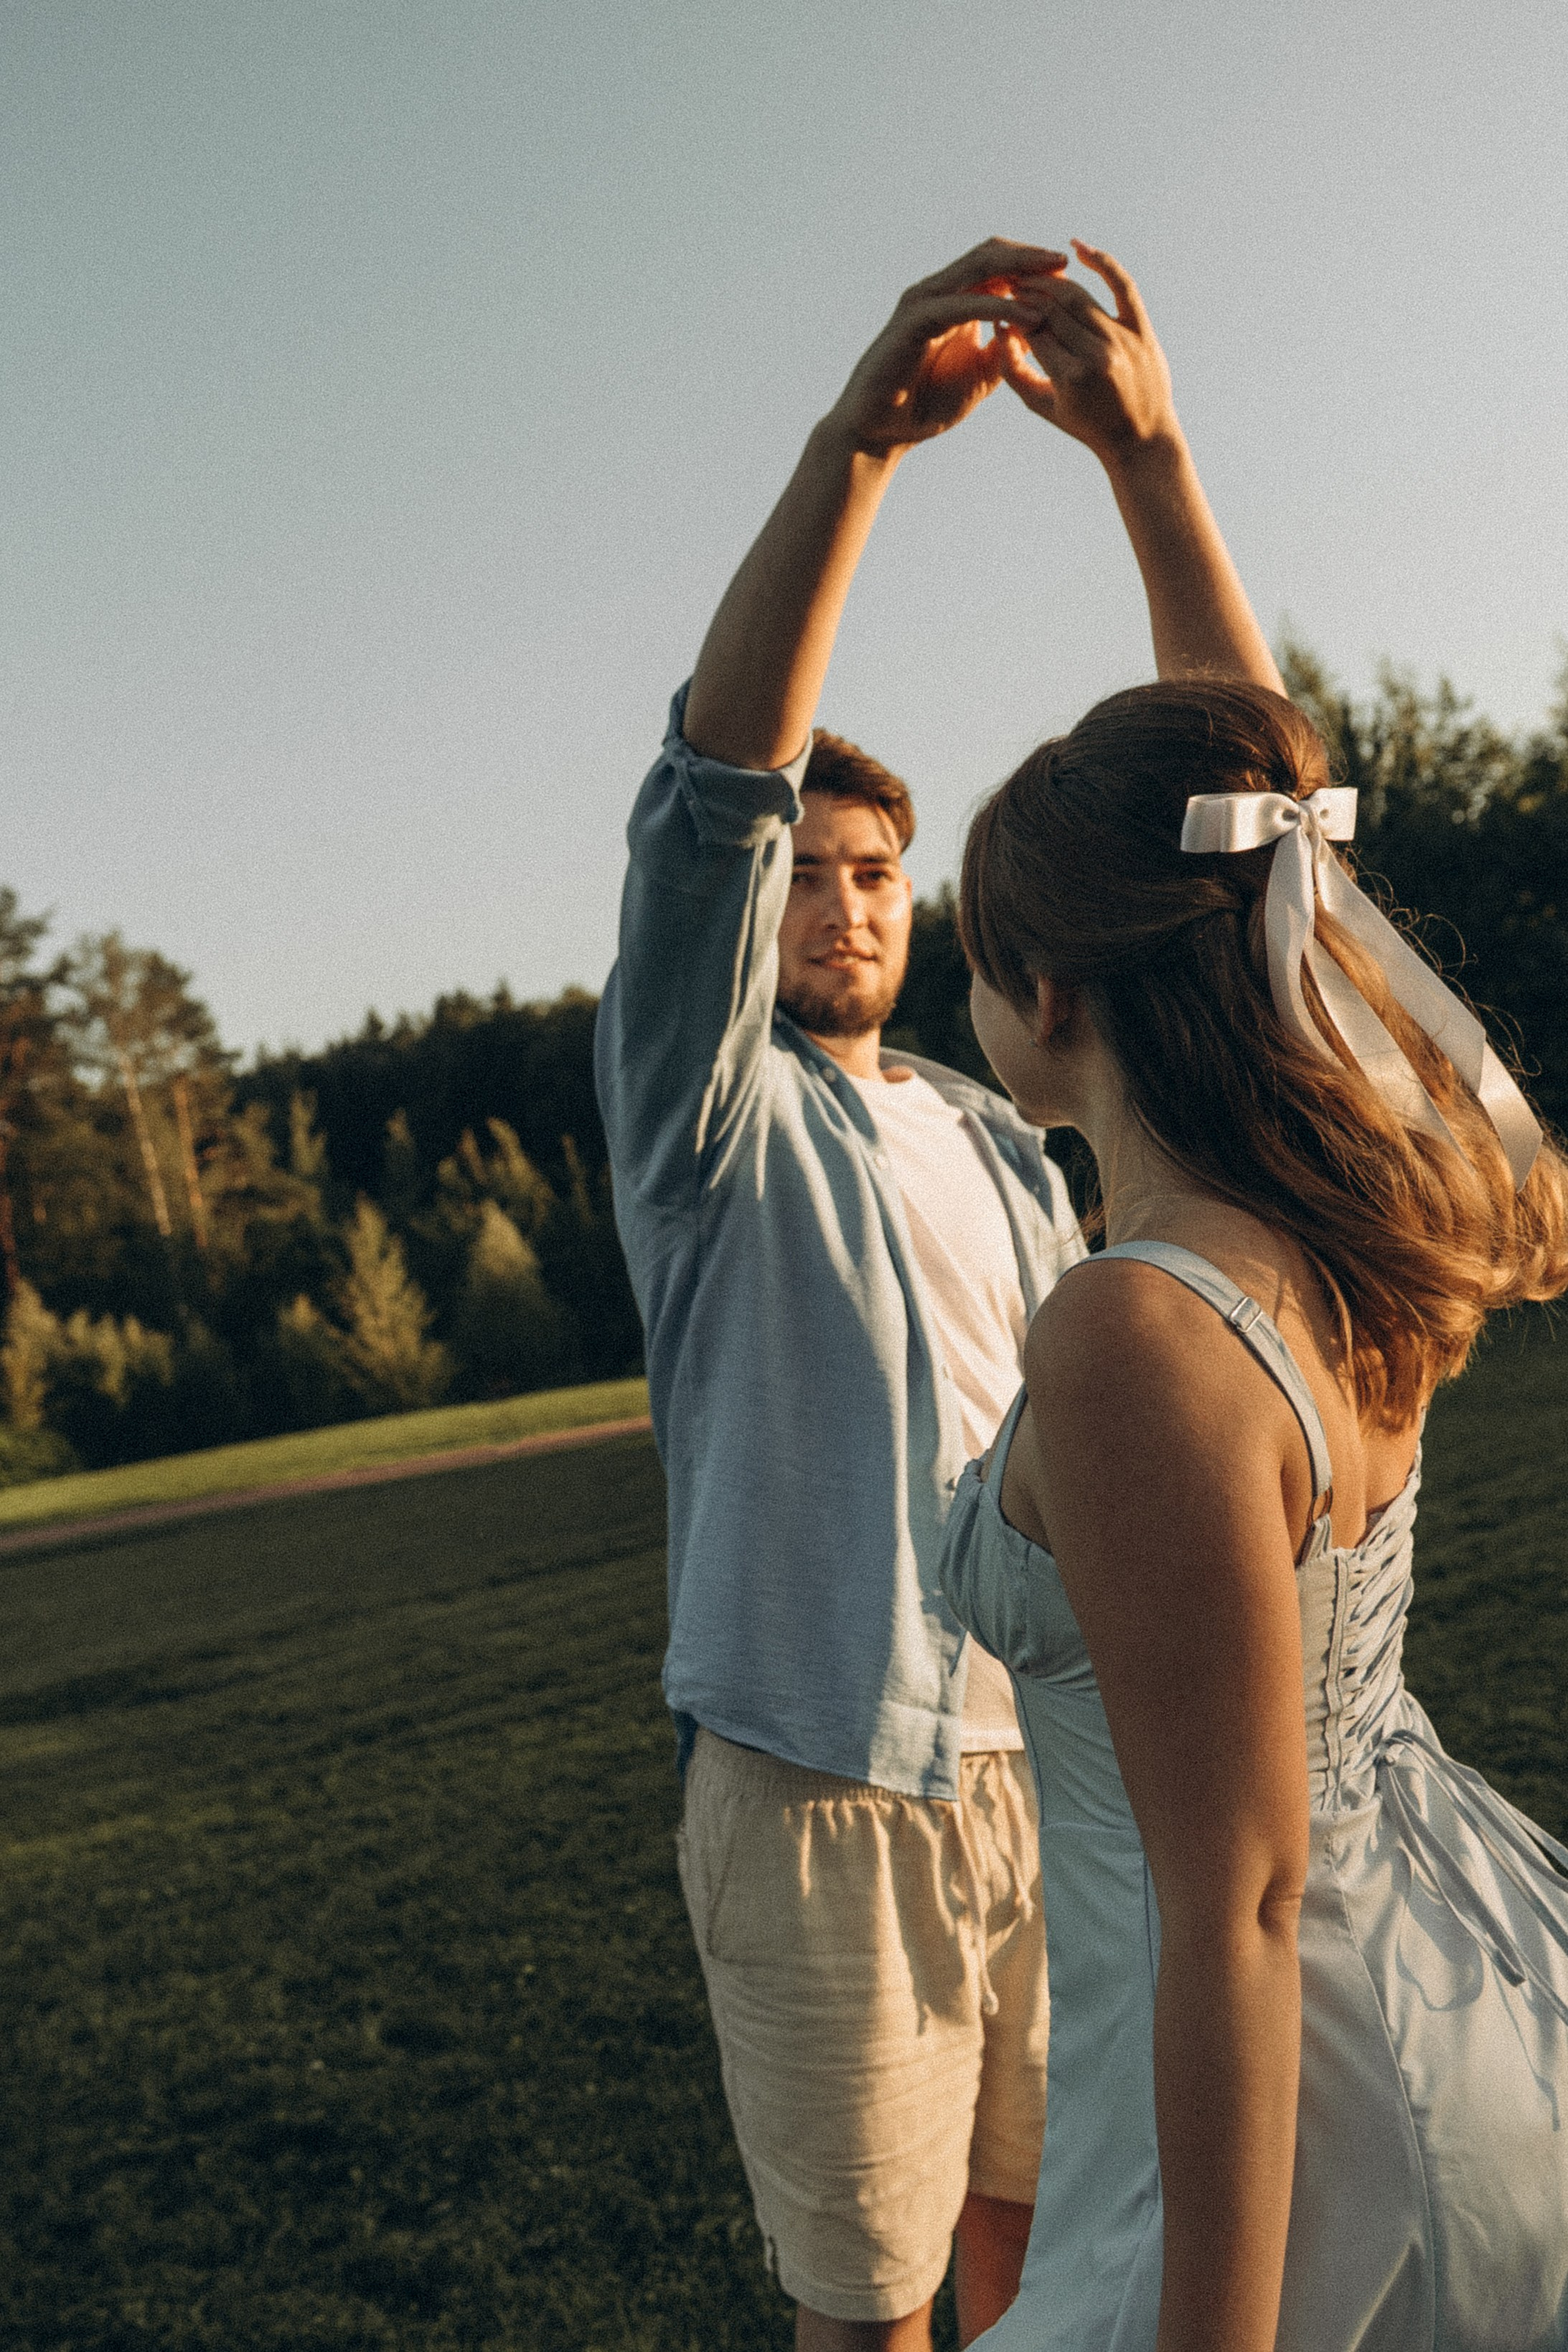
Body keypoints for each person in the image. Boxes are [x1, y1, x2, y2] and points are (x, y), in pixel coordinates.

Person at [596, 238, 1284, 2349]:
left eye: (877, 871)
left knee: (1035, 2250)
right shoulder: (709, 1123)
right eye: (805, 872)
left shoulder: (1008, 1140)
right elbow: (713, 795)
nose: (841, 901)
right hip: (818, 1780)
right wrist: (849, 460)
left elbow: (1261, 884)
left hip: (1037, 1763)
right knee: (872, 2307)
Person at [941, 633, 1568, 2338]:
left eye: (977, 966)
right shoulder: (1341, 1233)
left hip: (1283, 2107)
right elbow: (1252, 808)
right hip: (1452, 1978)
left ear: (1048, 993)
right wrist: (1144, 460)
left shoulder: (1135, 1322)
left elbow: (1239, 1902)